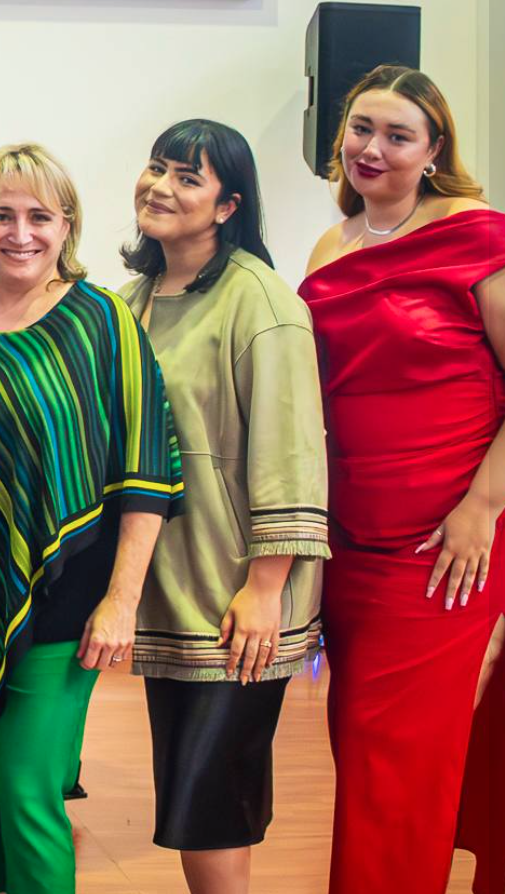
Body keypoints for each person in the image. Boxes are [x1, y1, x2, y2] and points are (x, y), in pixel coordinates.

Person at [0, 142, 182, 894]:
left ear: (67, 226)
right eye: (2, 216)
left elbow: (147, 473)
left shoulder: (102, 322)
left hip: (68, 597)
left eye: (40, 217)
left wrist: (121, 601)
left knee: (27, 790)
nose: (21, 233)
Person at [299, 64, 505, 894]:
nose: (372, 149)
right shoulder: (331, 245)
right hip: (352, 540)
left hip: (445, 546)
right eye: (361, 128)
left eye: (397, 135)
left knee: (391, 760)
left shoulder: (478, 234)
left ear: (434, 150)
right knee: (365, 749)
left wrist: (481, 507)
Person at [119, 119, 329, 894]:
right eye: (157, 167)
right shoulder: (130, 302)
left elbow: (292, 453)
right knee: (191, 792)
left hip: (236, 597)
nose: (161, 186)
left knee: (210, 800)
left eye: (188, 177)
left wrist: (265, 588)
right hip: (171, 592)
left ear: (228, 204)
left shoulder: (261, 302)